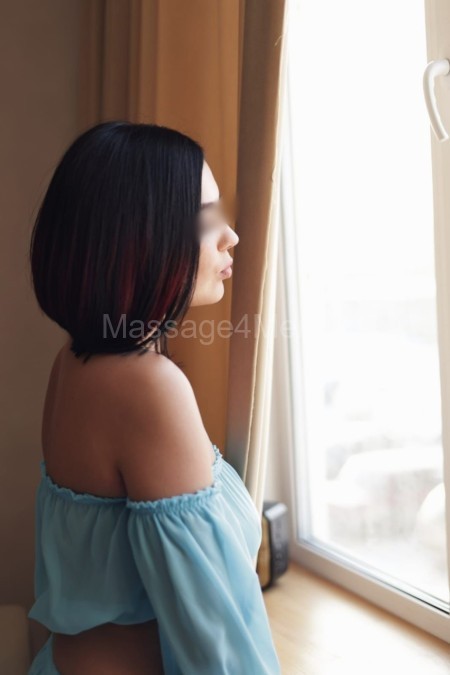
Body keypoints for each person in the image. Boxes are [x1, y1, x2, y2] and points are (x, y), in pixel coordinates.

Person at [26, 121, 282, 674]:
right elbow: (213, 634)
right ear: (141, 237)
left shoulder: (74, 362)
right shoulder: (148, 386)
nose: (231, 237)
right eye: (207, 218)